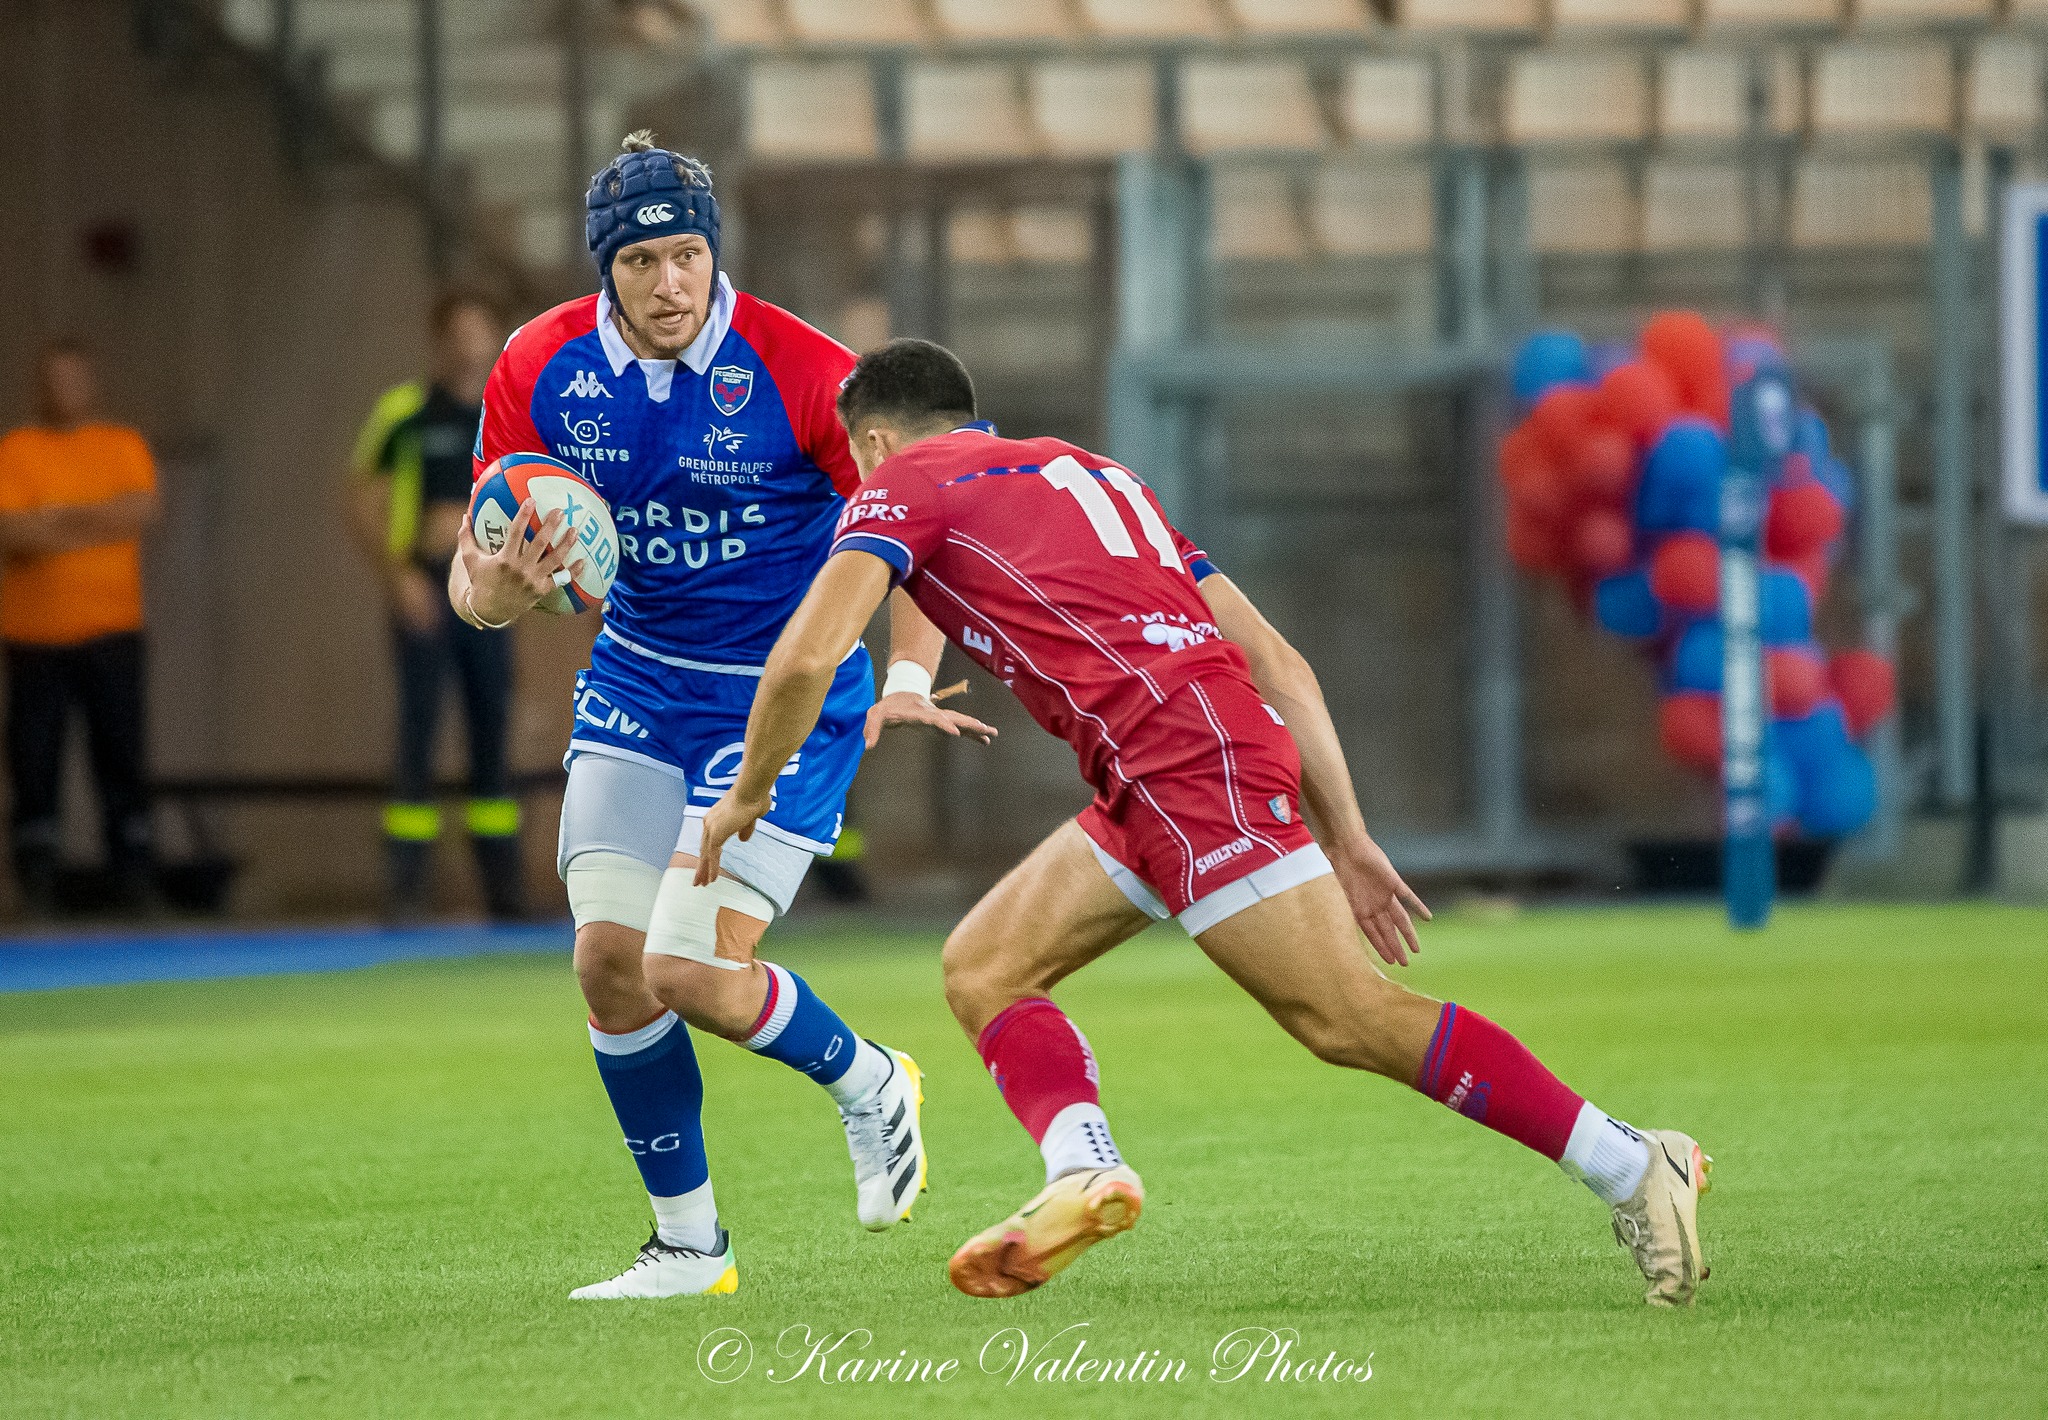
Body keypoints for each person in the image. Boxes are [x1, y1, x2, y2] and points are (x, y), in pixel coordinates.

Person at [696, 339, 1714, 1309]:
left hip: (1181, 765)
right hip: (1171, 763)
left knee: (1343, 1016)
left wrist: (747, 795)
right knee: (984, 966)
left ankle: (1630, 1161)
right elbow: (1278, 661)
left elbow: (801, 659)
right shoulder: (1096, 474)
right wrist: (1347, 835)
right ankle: (1080, 1172)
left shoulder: (897, 484)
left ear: (870, 440)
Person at [449, 135, 991, 1299]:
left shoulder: (803, 371)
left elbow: (923, 525)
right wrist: (492, 595)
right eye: (642, 259)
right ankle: (689, 1248)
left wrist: (903, 676)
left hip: (782, 699)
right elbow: (478, 561)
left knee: (689, 971)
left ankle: (868, 1079)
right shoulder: (539, 364)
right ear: (609, 267)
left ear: (713, 253)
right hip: (640, 679)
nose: (670, 282)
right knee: (607, 963)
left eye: (688, 253)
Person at [348, 290, 526, 920]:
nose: (469, 344)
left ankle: (506, 894)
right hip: (426, 587)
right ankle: (405, 893)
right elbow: (363, 496)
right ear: (439, 339)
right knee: (419, 729)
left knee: (491, 731)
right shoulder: (406, 413)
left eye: (480, 331)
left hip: (491, 592)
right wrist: (398, 577)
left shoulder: (511, 414)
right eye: (457, 332)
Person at [0, 340, 163, 915]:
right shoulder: (16, 451)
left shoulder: (121, 446)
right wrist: (96, 519)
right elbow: (11, 532)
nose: (63, 390)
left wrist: (54, 519)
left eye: (74, 379)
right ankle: (37, 879)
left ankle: (134, 874)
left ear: (90, 384)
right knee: (34, 761)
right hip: (35, 638)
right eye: (53, 379)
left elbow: (139, 513)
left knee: (120, 755)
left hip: (112, 631)